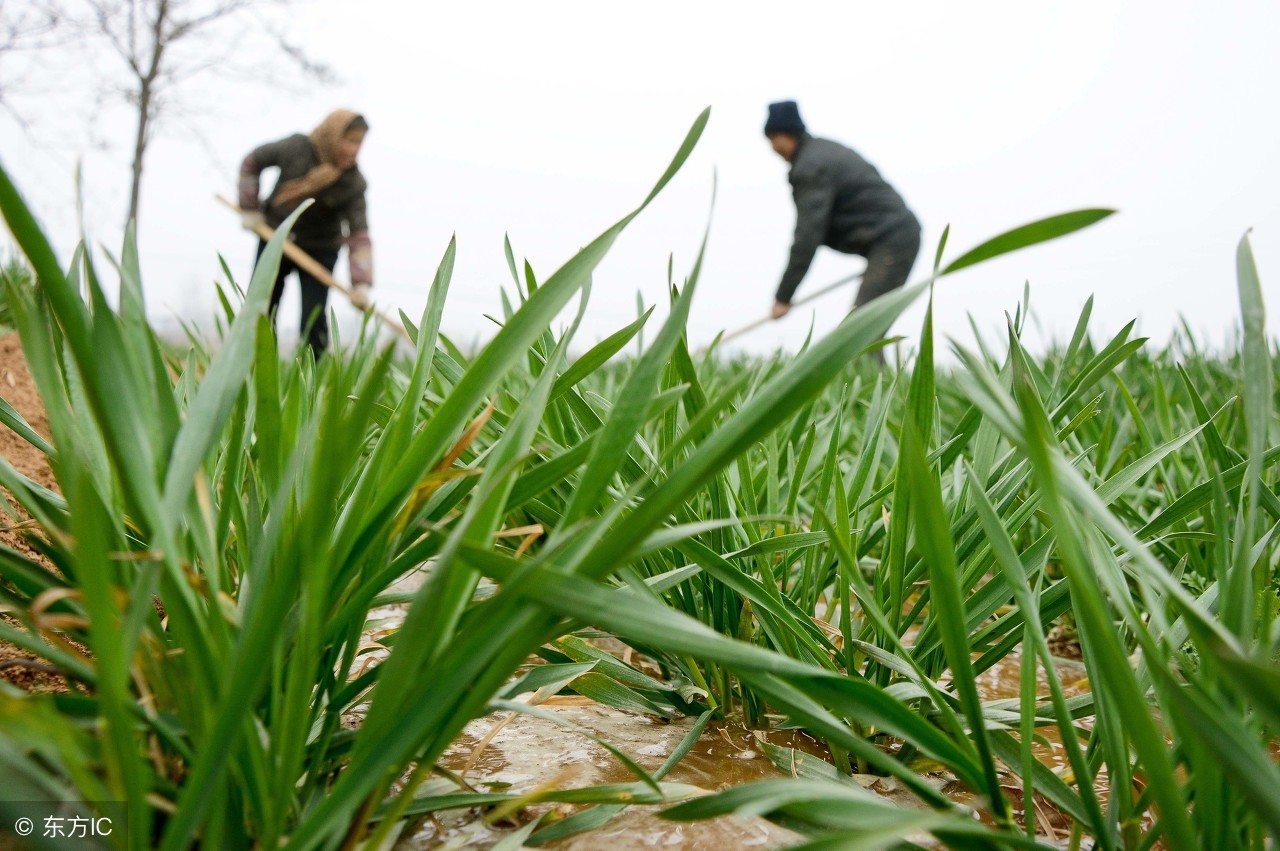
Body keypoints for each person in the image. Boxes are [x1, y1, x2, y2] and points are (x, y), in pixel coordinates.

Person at [765, 100, 920, 359]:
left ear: (785, 133)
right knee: (864, 328)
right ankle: (876, 391)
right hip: (888, 242)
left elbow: (807, 236)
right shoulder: (820, 154)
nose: (772, 148)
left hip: (892, 241)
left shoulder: (811, 167)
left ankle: (875, 395)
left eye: (773, 138)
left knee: (860, 331)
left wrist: (783, 296)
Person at [238, 108, 373, 357]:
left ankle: (315, 379)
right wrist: (249, 207)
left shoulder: (352, 182)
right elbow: (252, 161)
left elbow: (359, 233)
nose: (353, 149)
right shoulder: (296, 148)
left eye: (359, 143)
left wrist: (361, 282)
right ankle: (254, 368)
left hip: (320, 251)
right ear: (334, 135)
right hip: (275, 238)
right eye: (350, 140)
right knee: (261, 309)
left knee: (314, 320)